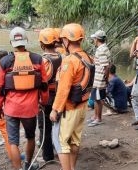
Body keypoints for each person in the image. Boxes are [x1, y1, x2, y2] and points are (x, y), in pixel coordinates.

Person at [0, 27, 49, 170]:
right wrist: (43, 101)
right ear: (26, 40)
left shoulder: (5, 61)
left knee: (13, 142)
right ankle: (27, 165)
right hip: (30, 109)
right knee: (30, 137)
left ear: (11, 42)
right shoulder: (37, 59)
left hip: (11, 109)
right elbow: (44, 85)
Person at [49, 23, 94, 170]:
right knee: (75, 140)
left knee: (61, 142)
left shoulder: (70, 60)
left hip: (69, 108)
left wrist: (55, 109)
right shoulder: (87, 56)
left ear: (67, 40)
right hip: (82, 106)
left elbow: (63, 88)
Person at [37, 28, 62, 162]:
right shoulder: (61, 57)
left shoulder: (44, 60)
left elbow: (42, 81)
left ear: (42, 44)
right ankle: (59, 149)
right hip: (58, 95)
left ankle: (47, 156)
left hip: (47, 97)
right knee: (57, 125)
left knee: (44, 126)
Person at [87, 30, 111, 127]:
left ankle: (98, 118)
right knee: (96, 98)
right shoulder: (103, 48)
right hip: (98, 78)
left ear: (97, 39)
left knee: (98, 99)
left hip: (99, 79)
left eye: (94, 38)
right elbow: (103, 63)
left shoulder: (101, 50)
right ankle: (95, 116)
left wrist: (105, 79)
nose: (93, 40)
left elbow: (106, 67)